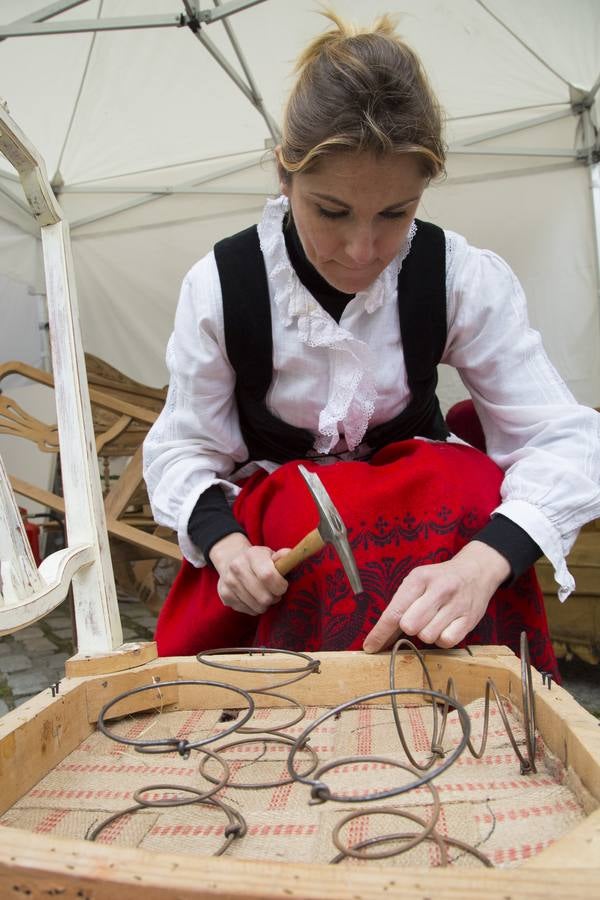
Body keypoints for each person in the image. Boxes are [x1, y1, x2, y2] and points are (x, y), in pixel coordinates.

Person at [143, 11, 600, 679]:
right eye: (331, 211)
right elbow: (185, 446)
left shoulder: (460, 277)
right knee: (298, 507)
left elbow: (566, 439)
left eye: (395, 214)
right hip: (289, 548)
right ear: (283, 176)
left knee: (466, 488)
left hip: (427, 530)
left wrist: (482, 562)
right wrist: (229, 549)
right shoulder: (222, 288)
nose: (362, 252)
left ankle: (468, 707)